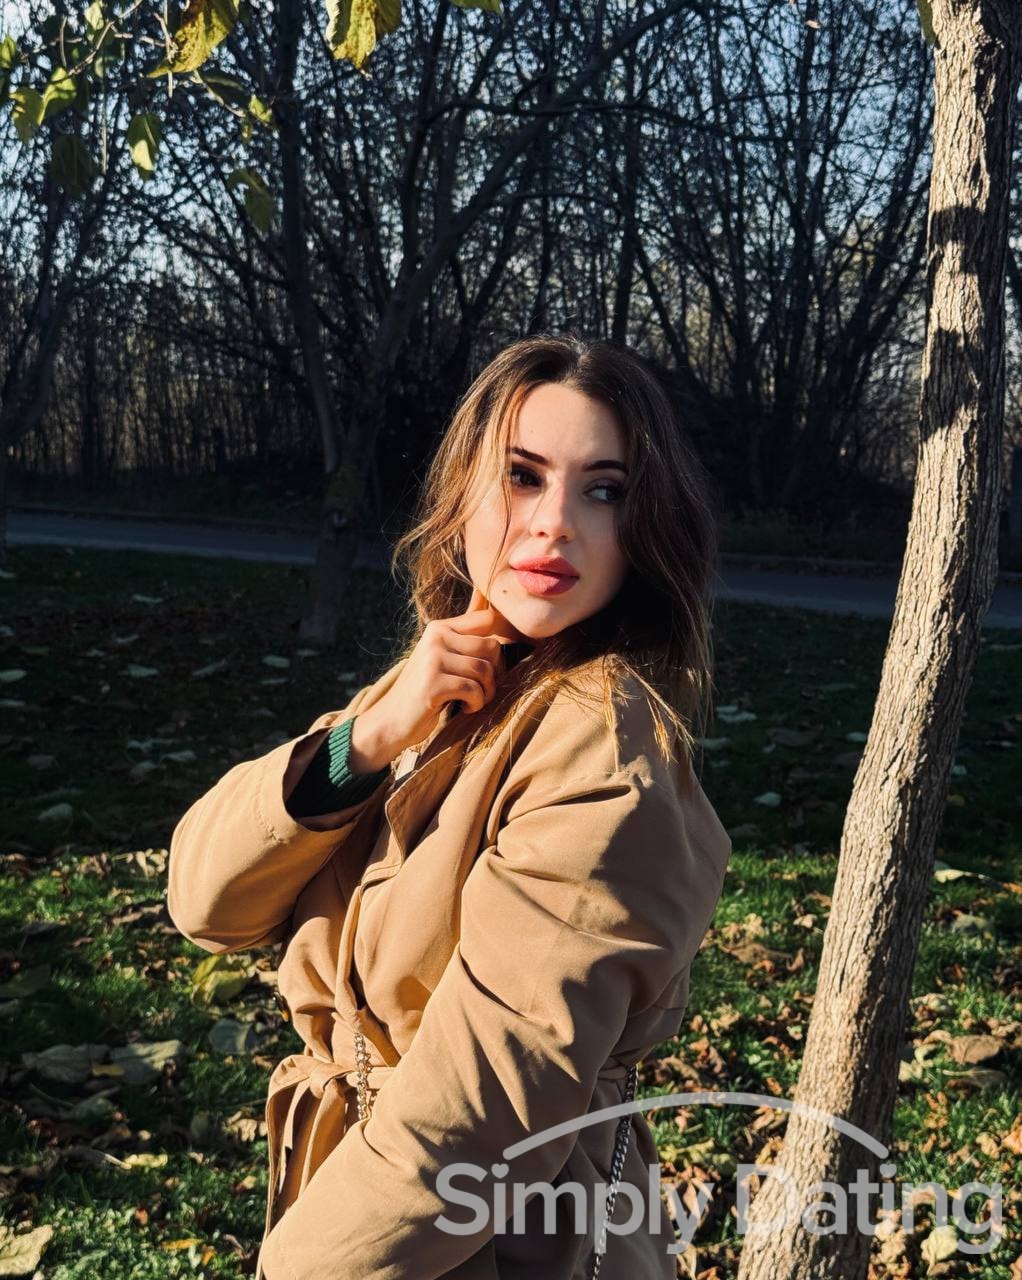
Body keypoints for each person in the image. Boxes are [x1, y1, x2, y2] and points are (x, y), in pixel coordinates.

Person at [166, 333, 733, 1280]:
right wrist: (367, 737)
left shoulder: (601, 745)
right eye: (521, 476)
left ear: (647, 531)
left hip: (499, 1240)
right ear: (459, 494)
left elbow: (478, 1116)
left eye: (605, 491)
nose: (555, 524)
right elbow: (205, 902)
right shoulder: (443, 686)